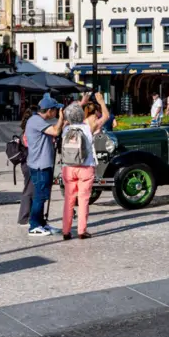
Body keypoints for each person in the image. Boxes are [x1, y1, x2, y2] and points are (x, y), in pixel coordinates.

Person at [60, 93, 108, 241]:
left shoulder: (65, 129)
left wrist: (81, 102)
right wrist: (101, 101)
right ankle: (82, 230)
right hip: (85, 167)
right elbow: (106, 116)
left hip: (68, 167)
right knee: (83, 200)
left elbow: (70, 113)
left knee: (69, 199)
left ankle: (66, 230)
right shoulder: (88, 127)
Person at [25, 94, 65, 237]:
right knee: (40, 196)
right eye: (56, 110)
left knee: (42, 195)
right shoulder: (36, 121)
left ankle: (42, 223)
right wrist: (61, 119)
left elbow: (55, 130)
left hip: (42, 164)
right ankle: (34, 225)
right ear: (49, 110)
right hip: (39, 165)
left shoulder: (38, 121)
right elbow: (55, 131)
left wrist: (63, 122)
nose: (56, 113)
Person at [15, 108, 35, 226]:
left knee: (29, 189)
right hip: (29, 163)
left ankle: (29, 215)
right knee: (28, 190)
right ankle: (24, 217)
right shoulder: (28, 132)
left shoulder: (25, 130)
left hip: (26, 163)